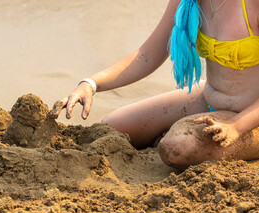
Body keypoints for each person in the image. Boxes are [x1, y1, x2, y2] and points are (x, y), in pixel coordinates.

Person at [50, 0, 259, 170]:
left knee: (175, 148)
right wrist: (90, 84)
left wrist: (237, 126)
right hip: (209, 97)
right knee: (111, 129)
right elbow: (147, 55)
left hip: (251, 116)